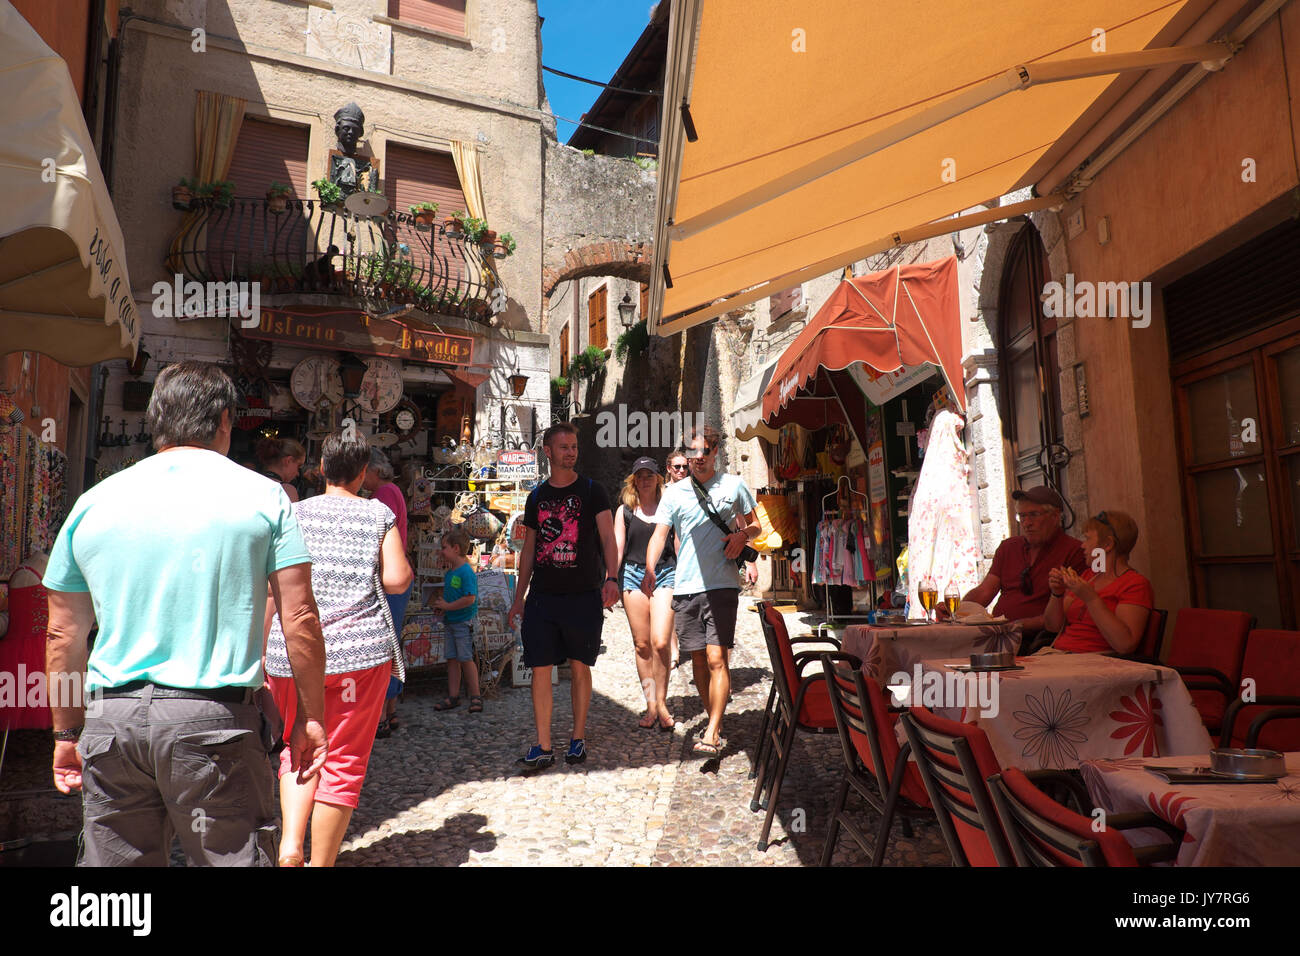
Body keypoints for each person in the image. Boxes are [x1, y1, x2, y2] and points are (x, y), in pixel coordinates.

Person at [42, 361, 328, 867]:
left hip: (114, 724)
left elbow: (63, 634)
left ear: (157, 421)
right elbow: (299, 616)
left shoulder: (93, 502)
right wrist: (310, 715)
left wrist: (67, 731)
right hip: (213, 724)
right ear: (223, 420)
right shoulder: (265, 497)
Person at [265, 430, 412, 867]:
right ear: (363, 473)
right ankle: (321, 863)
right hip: (358, 656)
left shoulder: (293, 513)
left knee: (296, 745)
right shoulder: (377, 514)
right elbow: (397, 579)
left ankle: (291, 844)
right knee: (343, 758)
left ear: (322, 469)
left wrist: (259, 651)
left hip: (291, 654)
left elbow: (272, 590)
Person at [507, 423, 619, 770]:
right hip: (543, 597)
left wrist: (612, 577)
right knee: (539, 667)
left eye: (574, 446)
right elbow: (529, 550)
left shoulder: (592, 490)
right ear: (549, 452)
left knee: (580, 664)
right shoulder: (536, 496)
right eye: (564, 447)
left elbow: (608, 538)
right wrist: (519, 596)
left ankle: (577, 737)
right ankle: (542, 744)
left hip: (583, 594)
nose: (571, 452)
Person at [643, 426, 760, 758]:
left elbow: (756, 524)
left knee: (716, 658)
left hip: (721, 585)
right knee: (697, 663)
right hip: (686, 587)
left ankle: (711, 732)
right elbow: (659, 535)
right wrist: (650, 568)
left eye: (703, 453)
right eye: (692, 453)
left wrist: (742, 537)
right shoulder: (675, 493)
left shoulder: (733, 486)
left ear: (714, 453)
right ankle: (716, 721)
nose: (697, 459)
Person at [962, 486, 1086, 649]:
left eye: (1034, 515)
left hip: (1039, 640)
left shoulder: (1074, 551)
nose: (1027, 523)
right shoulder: (1009, 547)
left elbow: (1069, 610)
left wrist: (1018, 625)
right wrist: (957, 611)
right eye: (1022, 516)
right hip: (999, 636)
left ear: (1055, 516)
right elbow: (985, 591)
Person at [614, 457, 676, 731]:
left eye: (650, 474)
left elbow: (677, 542)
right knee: (642, 644)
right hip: (633, 575)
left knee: (661, 642)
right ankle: (652, 704)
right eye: (640, 475)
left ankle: (661, 701)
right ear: (634, 481)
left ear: (658, 478)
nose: (645, 479)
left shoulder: (669, 507)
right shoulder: (625, 511)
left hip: (666, 573)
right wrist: (609, 578)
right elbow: (618, 547)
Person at [1046, 510, 1153, 655]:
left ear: (1108, 544)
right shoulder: (1088, 575)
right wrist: (1056, 593)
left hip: (1096, 662)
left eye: (1088, 539)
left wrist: (1091, 598)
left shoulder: (1135, 584)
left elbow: (1125, 645)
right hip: (1059, 655)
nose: (1082, 546)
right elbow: (1052, 627)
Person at [363, 448, 410, 736]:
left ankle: (381, 715)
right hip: (393, 577)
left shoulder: (384, 494)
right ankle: (389, 712)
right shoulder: (390, 491)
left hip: (387, 578)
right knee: (390, 646)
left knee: (383, 647)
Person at [433, 528, 482, 712]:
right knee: (452, 659)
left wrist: (447, 606)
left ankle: (476, 695)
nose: (441, 551)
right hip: (451, 620)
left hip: (463, 622)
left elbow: (470, 598)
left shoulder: (465, 572)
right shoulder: (451, 572)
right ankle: (453, 696)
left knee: (465, 658)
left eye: (444, 547)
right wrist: (442, 608)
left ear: (455, 548)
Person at [665, 448, 690, 667]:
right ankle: (674, 649)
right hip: (668, 554)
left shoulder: (695, 490)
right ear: (669, 469)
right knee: (670, 602)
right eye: (678, 467)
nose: (682, 470)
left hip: (689, 552)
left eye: (685, 466)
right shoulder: (663, 493)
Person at [257, 436, 307, 503]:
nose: (297, 474)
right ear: (288, 461)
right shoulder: (286, 490)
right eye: (298, 466)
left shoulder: (251, 485)